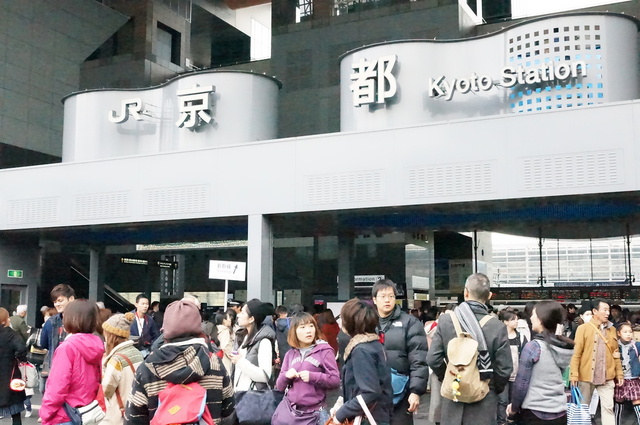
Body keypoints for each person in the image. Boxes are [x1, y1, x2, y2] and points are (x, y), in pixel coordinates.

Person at [124, 300, 235, 425]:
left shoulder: (147, 368)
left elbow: (133, 418)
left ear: (165, 330)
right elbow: (229, 412)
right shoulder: (214, 363)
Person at [427, 273, 513, 425]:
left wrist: (453, 377)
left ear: (465, 292)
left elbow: (433, 359)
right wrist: (489, 386)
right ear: (489, 296)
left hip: (453, 397)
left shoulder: (446, 321)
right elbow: (504, 369)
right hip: (483, 400)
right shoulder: (497, 327)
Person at [506, 301, 574, 425]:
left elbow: (521, 384)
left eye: (533, 314)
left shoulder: (534, 347)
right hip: (560, 411)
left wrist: (514, 409)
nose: (531, 318)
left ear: (541, 319)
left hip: (535, 412)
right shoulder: (563, 347)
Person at [371, 279, 429, 425]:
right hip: (372, 391)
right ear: (374, 300)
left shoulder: (410, 323)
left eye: (391, 296)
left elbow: (419, 359)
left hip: (401, 391)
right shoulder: (367, 322)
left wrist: (415, 391)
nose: (387, 300)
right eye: (383, 296)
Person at [40, 299, 104, 425]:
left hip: (65, 414)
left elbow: (57, 387)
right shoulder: (97, 344)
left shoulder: (67, 347)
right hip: (88, 411)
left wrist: (45, 413)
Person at [329, 298, 393, 425]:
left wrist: (341, 414)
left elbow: (370, 391)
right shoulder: (375, 344)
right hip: (380, 414)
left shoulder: (361, 350)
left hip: (367, 418)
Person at [273, 312, 340, 425]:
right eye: (303, 327)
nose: (308, 331)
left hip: (314, 414)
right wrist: (286, 376)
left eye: (311, 326)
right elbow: (279, 386)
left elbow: (335, 380)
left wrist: (313, 376)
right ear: (294, 331)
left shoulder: (324, 351)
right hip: (291, 413)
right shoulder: (290, 354)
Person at [570, 298, 623, 425]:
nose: (608, 313)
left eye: (608, 310)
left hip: (607, 377)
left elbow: (616, 354)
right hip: (586, 376)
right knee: (583, 409)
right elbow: (576, 354)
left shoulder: (612, 329)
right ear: (595, 311)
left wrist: (619, 373)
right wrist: (574, 374)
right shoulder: (583, 328)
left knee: (608, 408)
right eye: (604, 310)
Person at [101, 313, 144, 425]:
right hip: (135, 409)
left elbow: (106, 390)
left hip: (118, 414)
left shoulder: (116, 360)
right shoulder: (137, 353)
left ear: (112, 336)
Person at [230, 299, 276, 391]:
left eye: (242, 313)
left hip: (253, 396)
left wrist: (240, 362)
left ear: (251, 319)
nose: (238, 315)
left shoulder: (264, 341)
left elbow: (265, 376)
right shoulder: (242, 337)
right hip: (239, 394)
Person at [40, 284, 76, 391]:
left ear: (71, 298)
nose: (57, 304)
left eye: (60, 300)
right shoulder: (50, 322)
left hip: (68, 371)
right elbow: (43, 343)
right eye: (55, 302)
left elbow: (44, 344)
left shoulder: (51, 322)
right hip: (58, 371)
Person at [497, 309, 527, 425]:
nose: (516, 321)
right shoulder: (499, 337)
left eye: (517, 319)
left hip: (517, 374)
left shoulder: (521, 337)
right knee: (502, 400)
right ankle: (502, 421)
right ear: (505, 322)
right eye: (513, 320)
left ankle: (512, 420)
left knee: (515, 400)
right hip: (502, 375)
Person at [0, 307, 27, 425]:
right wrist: (18, 358)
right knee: (15, 410)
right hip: (10, 374)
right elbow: (21, 348)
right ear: (3, 320)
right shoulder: (11, 334)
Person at [613, 321, 640, 424]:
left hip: (633, 378)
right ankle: (617, 422)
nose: (628, 334)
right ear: (618, 333)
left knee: (637, 401)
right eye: (625, 332)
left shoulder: (636, 345)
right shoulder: (614, 346)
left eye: (630, 332)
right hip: (620, 379)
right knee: (619, 402)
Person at [216, 310, 235, 376]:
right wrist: (233, 355)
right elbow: (225, 347)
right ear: (224, 320)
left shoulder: (218, 329)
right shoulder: (225, 331)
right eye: (228, 318)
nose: (230, 320)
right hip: (225, 359)